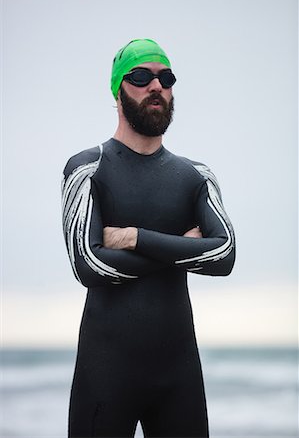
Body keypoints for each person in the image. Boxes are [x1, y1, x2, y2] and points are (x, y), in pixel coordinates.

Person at [62, 38, 235, 438]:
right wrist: (185, 246)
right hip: (104, 376)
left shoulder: (196, 176)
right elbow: (91, 264)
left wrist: (136, 238)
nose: (156, 86)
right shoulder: (88, 168)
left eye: (166, 78)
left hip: (180, 378)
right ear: (117, 89)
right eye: (141, 76)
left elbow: (224, 255)